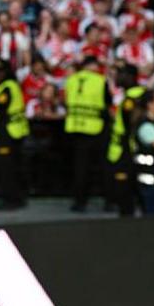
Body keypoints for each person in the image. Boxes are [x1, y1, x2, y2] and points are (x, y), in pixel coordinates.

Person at [64, 55, 111, 212]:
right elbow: (107, 103)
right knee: (104, 166)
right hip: (96, 128)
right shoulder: (100, 81)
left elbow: (66, 102)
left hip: (76, 128)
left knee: (80, 167)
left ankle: (80, 202)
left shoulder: (71, 80)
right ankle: (109, 202)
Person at [0, 59, 29, 210]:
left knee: (6, 168)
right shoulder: (7, 86)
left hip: (7, 133)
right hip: (11, 131)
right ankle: (16, 197)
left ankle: (11, 199)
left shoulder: (6, 87)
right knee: (12, 167)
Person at [107, 65, 146, 216]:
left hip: (127, 152)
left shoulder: (133, 98)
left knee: (126, 194)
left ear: (130, 76)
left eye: (120, 74)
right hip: (126, 150)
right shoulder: (133, 95)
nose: (117, 78)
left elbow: (131, 126)